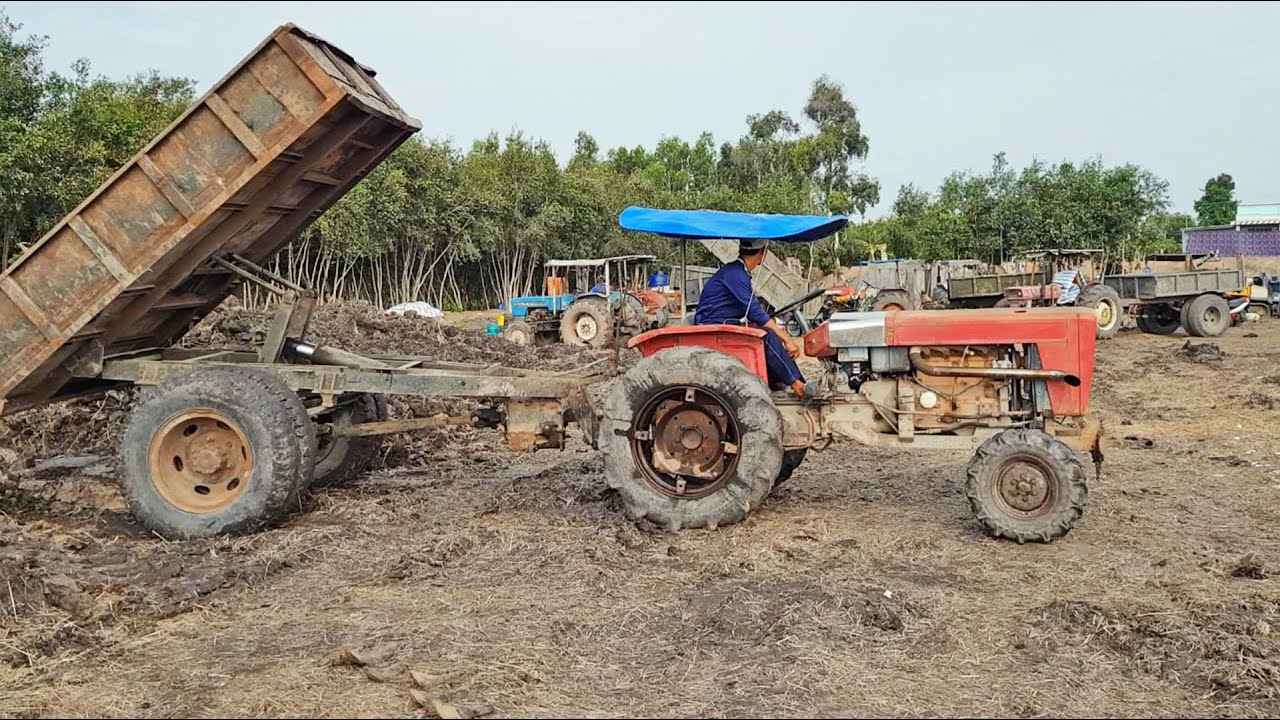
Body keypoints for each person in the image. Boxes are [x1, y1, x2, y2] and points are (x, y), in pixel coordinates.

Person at [693, 239, 808, 399]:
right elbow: (755, 313)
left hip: (724, 323)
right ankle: (798, 385)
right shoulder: (735, 274)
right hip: (714, 327)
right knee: (766, 336)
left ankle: (783, 382)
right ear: (763, 253)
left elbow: (752, 310)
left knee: (769, 332)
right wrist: (787, 339)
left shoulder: (738, 272)